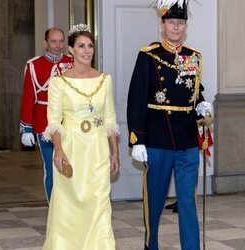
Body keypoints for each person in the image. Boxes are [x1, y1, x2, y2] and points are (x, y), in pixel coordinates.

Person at [127, 0, 212, 249]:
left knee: (187, 201)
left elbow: (195, 93)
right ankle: (150, 245)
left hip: (186, 140)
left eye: (181, 22)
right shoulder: (148, 56)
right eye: (172, 22)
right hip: (158, 139)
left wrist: (201, 106)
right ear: (163, 24)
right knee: (154, 202)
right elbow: (137, 98)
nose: (176, 27)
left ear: (186, 26)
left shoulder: (193, 56)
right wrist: (137, 139)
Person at [42, 23, 119, 250]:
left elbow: (110, 119)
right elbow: (54, 121)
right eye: (81, 46)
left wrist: (114, 151)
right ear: (71, 50)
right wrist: (58, 149)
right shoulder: (59, 82)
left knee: (99, 200)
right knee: (68, 202)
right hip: (71, 147)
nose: (87, 51)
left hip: (97, 148)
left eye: (90, 46)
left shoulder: (105, 80)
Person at [19, 27, 73, 202]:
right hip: (45, 125)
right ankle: (54, 209)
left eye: (61, 41)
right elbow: (28, 97)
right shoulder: (34, 65)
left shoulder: (72, 62)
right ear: (45, 43)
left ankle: (71, 209)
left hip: (71, 123)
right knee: (52, 169)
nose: (58, 46)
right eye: (53, 41)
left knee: (73, 168)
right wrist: (26, 128)